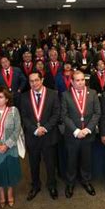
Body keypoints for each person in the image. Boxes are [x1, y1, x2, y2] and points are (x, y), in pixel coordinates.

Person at [21, 72, 60, 201]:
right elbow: (24, 117)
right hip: (33, 136)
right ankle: (36, 185)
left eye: (36, 80)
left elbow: (56, 114)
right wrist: (34, 130)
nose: (34, 83)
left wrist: (45, 128)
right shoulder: (24, 96)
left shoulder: (53, 94)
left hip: (49, 135)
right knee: (33, 164)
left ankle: (52, 185)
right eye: (31, 81)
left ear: (42, 80)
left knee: (50, 163)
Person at [61, 70, 101, 198]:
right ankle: (70, 183)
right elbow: (64, 115)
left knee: (86, 160)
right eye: (77, 80)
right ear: (72, 82)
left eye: (82, 79)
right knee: (71, 160)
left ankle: (86, 181)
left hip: (88, 134)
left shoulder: (93, 93)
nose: (80, 82)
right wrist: (76, 131)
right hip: (73, 135)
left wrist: (88, 129)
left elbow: (97, 113)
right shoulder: (65, 95)